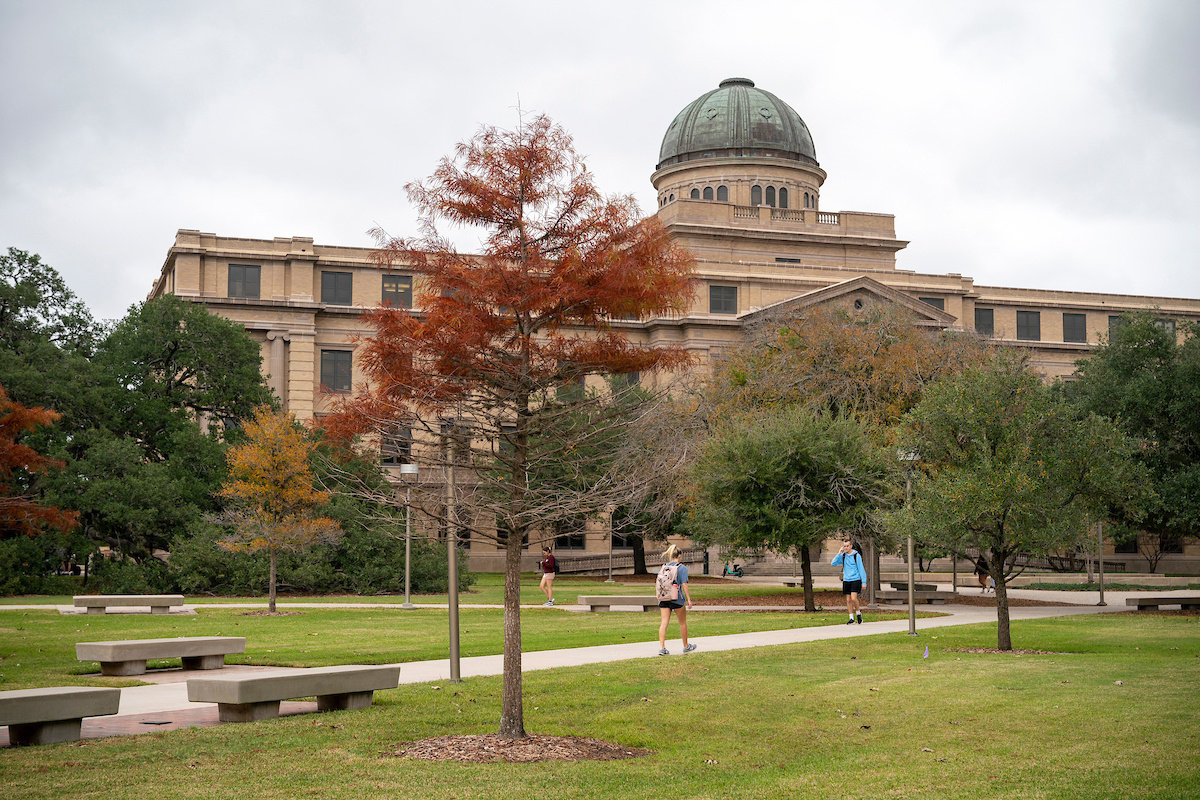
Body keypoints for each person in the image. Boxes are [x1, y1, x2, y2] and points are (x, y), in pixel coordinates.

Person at [657, 544, 695, 655]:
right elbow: (684, 584)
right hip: (677, 599)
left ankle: (662, 647)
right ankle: (686, 646)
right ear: (679, 556)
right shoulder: (681, 568)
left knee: (664, 622)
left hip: (664, 598)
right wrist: (688, 599)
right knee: (682, 623)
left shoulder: (664, 567)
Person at [831, 540, 867, 624]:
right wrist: (839, 553)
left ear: (851, 546)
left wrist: (864, 582)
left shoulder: (856, 556)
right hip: (846, 579)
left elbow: (861, 568)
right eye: (844, 546)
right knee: (848, 599)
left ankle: (858, 613)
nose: (846, 548)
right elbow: (833, 563)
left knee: (854, 598)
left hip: (855, 579)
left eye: (847, 546)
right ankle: (851, 618)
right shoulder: (843, 556)